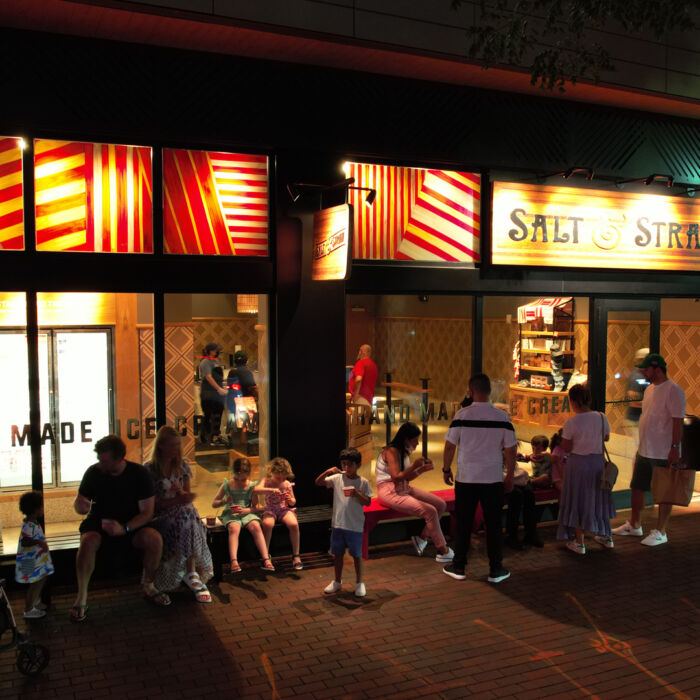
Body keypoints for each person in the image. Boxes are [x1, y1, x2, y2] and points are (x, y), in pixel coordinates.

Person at [72, 434, 166, 622]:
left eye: (104, 461)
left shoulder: (139, 474)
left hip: (131, 523)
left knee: (154, 538)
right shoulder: (94, 472)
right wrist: (80, 505)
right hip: (100, 522)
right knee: (88, 541)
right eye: (99, 459)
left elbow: (147, 512)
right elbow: (80, 502)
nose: (100, 464)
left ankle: (149, 584)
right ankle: (81, 595)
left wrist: (125, 528)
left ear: (118, 458)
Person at [442, 373, 515, 583]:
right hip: (492, 479)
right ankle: (496, 569)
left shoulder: (461, 416)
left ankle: (459, 566)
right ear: (490, 391)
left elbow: (449, 446)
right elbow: (510, 450)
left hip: (467, 478)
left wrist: (446, 469)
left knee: (464, 523)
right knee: (493, 524)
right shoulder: (502, 418)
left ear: (470, 391)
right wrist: (509, 475)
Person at [612, 353, 686, 546]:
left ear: (657, 369)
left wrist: (675, 448)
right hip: (645, 449)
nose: (644, 372)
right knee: (637, 486)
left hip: (663, 451)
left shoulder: (674, 391)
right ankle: (635, 524)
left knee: (664, 492)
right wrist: (640, 447)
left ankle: (661, 531)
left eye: (647, 369)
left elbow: (677, 422)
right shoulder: (650, 389)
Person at [145, 426, 214, 602]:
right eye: (172, 445)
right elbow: (152, 505)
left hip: (182, 513)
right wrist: (178, 501)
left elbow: (187, 496)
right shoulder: (150, 469)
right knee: (190, 516)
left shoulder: (182, 465)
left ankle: (190, 571)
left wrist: (182, 495)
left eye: (178, 445)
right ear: (161, 446)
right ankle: (191, 573)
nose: (177, 449)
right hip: (161, 516)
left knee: (189, 514)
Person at [376, 422, 453, 562]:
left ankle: (422, 538)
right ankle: (443, 550)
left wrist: (421, 469)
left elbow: (406, 477)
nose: (417, 443)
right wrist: (414, 465)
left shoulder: (403, 451)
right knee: (430, 511)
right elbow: (395, 476)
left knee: (440, 505)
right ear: (406, 439)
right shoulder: (392, 451)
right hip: (389, 491)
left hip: (403, 487)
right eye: (415, 440)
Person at [556, 383, 616, 554]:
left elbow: (567, 447)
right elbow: (606, 438)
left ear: (572, 401)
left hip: (578, 465)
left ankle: (580, 542)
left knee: (579, 501)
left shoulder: (571, 422)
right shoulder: (601, 417)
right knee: (599, 498)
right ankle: (606, 536)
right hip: (597, 463)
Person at [315, 447, 373, 597]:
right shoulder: (337, 478)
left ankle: (360, 582)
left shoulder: (363, 482)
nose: (346, 468)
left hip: (354, 525)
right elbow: (319, 482)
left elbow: (367, 502)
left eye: (350, 464)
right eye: (344, 464)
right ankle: (337, 581)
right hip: (338, 524)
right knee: (338, 554)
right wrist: (329, 471)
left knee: (356, 554)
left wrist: (357, 494)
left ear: (358, 465)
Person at [212, 457, 275, 573]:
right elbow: (214, 503)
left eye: (243, 479)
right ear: (232, 474)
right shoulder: (228, 484)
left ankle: (265, 558)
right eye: (236, 479)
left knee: (256, 526)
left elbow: (256, 507)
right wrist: (224, 502)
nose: (240, 482)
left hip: (247, 513)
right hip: (231, 513)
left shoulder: (251, 486)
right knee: (234, 528)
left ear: (249, 475)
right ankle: (234, 560)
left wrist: (246, 511)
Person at [254, 457, 303, 570]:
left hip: (283, 509)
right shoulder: (266, 481)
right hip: (270, 509)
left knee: (294, 524)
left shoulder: (286, 484)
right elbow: (256, 490)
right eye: (278, 477)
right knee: (268, 524)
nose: (281, 480)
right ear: (271, 472)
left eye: (284, 477)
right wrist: (270, 490)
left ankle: (296, 555)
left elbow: (293, 502)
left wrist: (289, 499)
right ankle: (265, 556)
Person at [505, 434, 550, 549]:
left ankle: (531, 533)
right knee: (516, 495)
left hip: (513, 476)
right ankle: (512, 535)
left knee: (529, 493)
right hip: (501, 478)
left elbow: (518, 458)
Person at [15, 491, 54, 619]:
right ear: (35, 510)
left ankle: (34, 602)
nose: (43, 509)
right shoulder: (29, 526)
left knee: (40, 579)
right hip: (30, 561)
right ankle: (28, 609)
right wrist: (39, 542)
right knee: (34, 583)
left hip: (35, 560)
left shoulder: (32, 522)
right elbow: (25, 541)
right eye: (41, 507)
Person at [199, 342, 227, 446]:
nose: (217, 352)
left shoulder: (215, 361)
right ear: (211, 351)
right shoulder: (206, 362)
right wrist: (219, 388)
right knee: (210, 416)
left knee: (217, 415)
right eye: (215, 350)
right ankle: (208, 438)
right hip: (209, 393)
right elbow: (208, 377)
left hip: (216, 394)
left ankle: (215, 436)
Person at [623, 347, 650, 442]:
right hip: (634, 420)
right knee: (639, 448)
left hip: (641, 420)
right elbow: (633, 401)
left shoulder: (645, 376)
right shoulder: (637, 377)